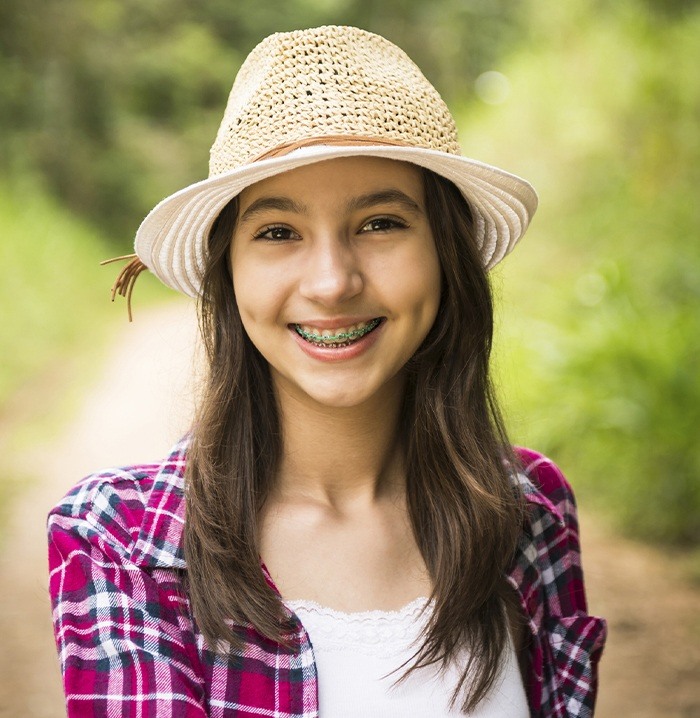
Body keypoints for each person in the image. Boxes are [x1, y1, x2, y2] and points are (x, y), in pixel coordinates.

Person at [47, 25, 606, 717]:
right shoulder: (121, 541)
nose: (333, 281)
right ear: (231, 273)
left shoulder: (529, 510)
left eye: (380, 223)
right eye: (278, 233)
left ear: (445, 255)